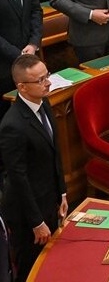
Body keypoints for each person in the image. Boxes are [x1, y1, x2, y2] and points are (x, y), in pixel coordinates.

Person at [0, 55, 67, 282]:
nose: (48, 83)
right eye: (40, 80)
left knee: (50, 264)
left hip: (48, 198)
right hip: (26, 213)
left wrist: (63, 193)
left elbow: (54, 153)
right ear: (21, 87)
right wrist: (36, 222)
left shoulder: (44, 103)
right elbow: (18, 178)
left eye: (46, 75)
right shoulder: (12, 125)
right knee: (31, 269)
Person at [0, 0, 42, 112]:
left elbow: (35, 10)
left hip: (31, 58)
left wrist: (33, 44)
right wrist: (18, 54)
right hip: (4, 66)